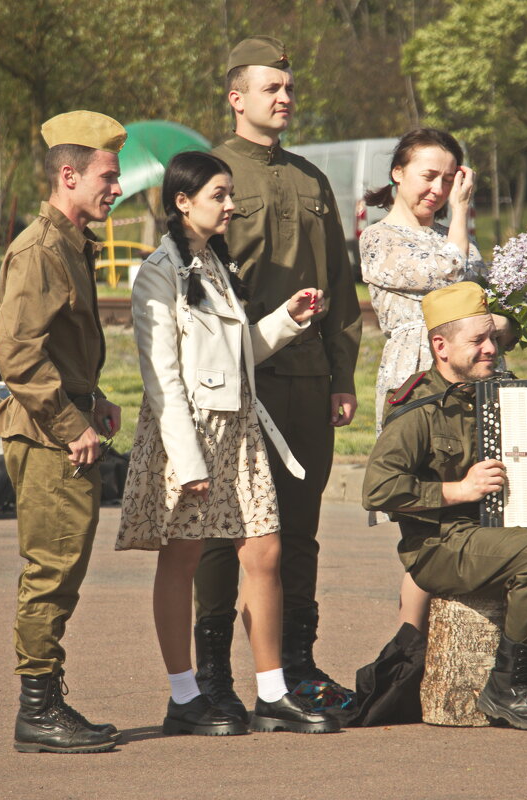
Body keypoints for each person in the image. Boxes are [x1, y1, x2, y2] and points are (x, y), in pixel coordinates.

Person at [115, 151, 338, 736]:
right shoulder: (158, 272)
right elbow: (161, 377)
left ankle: (271, 694)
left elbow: (235, 359)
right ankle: (184, 699)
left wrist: (286, 320)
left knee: (264, 554)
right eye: (220, 194)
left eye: (230, 193)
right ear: (183, 202)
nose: (232, 204)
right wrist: (186, 461)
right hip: (186, 431)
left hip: (237, 427)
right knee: (182, 559)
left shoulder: (216, 263)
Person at [362, 281, 527, 731]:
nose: (491, 349)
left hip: (504, 532)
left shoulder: (507, 393)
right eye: (478, 341)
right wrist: (458, 490)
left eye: (494, 339)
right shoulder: (418, 411)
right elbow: (378, 490)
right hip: (441, 544)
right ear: (441, 346)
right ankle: (508, 686)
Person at [192, 36, 362, 714]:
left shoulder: (312, 179)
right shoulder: (207, 174)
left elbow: (341, 287)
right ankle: (211, 681)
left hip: (306, 381)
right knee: (221, 532)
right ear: (238, 98)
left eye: (289, 88)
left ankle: (294, 668)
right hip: (238, 381)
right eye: (271, 88)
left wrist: (342, 375)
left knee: (299, 529)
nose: (285, 98)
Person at [0, 111, 127, 753]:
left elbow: (59, 343)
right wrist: (72, 422)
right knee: (51, 568)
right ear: (68, 175)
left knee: (62, 568)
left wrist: (92, 399)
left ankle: (47, 700)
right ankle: (36, 710)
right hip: (46, 434)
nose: (116, 188)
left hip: (63, 423)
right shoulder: (40, 249)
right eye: (107, 176)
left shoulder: (70, 243)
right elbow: (16, 353)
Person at [360, 127, 512, 634]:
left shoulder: (449, 235)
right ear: (397, 174)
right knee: (430, 525)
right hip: (419, 380)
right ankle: (410, 649)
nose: (440, 190)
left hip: (471, 377)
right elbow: (450, 275)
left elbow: (481, 303)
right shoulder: (378, 238)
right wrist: (463, 215)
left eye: (450, 179)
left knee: (479, 512)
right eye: (428, 176)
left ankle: (472, 647)